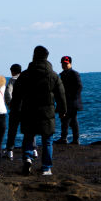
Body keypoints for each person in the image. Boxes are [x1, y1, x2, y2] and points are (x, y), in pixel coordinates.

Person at [13, 45, 66, 176]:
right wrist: (63, 110)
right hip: (47, 112)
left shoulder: (25, 75)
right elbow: (61, 94)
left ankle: (27, 157)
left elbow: (16, 94)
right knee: (47, 140)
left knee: (28, 136)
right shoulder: (53, 75)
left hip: (28, 110)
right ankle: (46, 168)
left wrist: (15, 109)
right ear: (47, 57)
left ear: (34, 56)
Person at [56, 55, 83, 144]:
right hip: (66, 101)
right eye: (63, 63)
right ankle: (67, 138)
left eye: (66, 63)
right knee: (66, 120)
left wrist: (73, 97)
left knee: (70, 120)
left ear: (70, 63)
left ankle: (71, 138)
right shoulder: (62, 74)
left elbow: (79, 86)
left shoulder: (74, 73)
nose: (64, 65)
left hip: (72, 101)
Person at [4, 62, 23, 158]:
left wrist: (10, 105)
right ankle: (34, 149)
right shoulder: (26, 79)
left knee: (12, 130)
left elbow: (8, 93)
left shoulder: (12, 80)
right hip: (26, 109)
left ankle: (9, 150)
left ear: (13, 71)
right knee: (29, 130)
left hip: (15, 108)